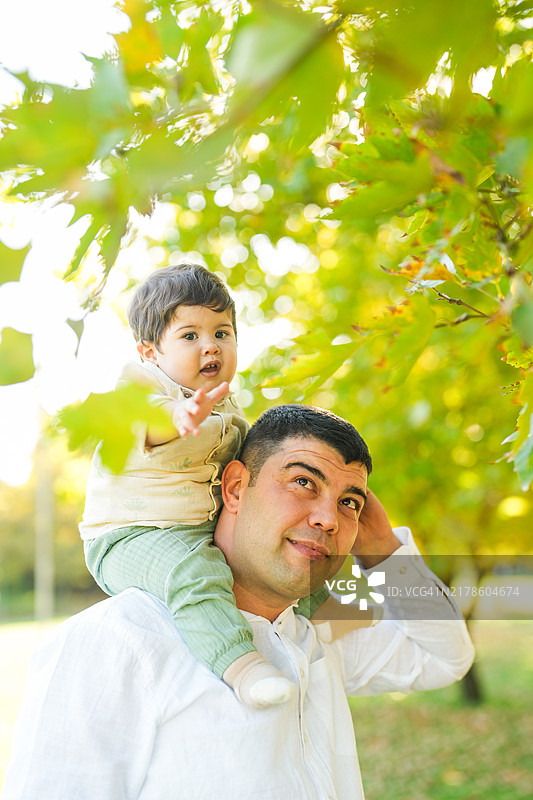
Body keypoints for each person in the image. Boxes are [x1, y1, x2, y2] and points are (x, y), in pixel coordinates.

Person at [2, 405, 475, 800]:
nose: (328, 518)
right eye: (303, 482)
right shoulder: (115, 643)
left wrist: (384, 551)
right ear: (233, 488)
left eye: (349, 502)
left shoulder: (314, 637)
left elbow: (443, 656)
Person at [78, 263, 335, 710]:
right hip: (129, 535)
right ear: (150, 351)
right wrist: (178, 419)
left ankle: (325, 627)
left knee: (293, 561)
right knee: (195, 574)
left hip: (198, 530)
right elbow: (146, 424)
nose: (210, 346)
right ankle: (242, 666)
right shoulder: (142, 386)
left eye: (222, 332)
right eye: (190, 335)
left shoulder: (227, 407)